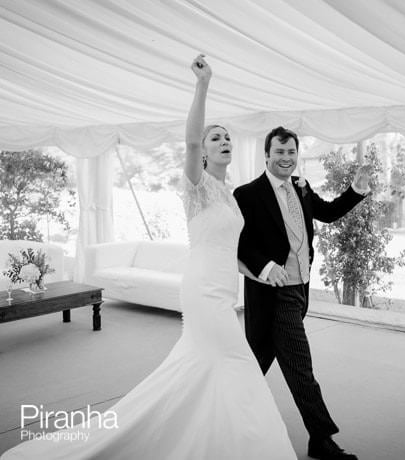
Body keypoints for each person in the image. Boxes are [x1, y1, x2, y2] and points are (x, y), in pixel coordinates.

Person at [1, 56, 296, 460]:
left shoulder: (231, 196)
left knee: (205, 367)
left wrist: (262, 275)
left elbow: (232, 252)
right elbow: (190, 140)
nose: (224, 141)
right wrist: (203, 85)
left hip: (224, 289)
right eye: (216, 138)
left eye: (227, 137)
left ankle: (208, 439)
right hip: (202, 293)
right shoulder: (197, 186)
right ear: (205, 154)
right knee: (235, 360)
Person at [234, 126, 370, 460]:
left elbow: (327, 212)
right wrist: (265, 267)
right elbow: (239, 242)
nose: (286, 158)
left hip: (300, 289)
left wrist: (356, 190)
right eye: (279, 152)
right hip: (273, 293)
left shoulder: (301, 187)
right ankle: (321, 439)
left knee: (254, 364)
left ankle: (221, 413)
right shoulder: (247, 194)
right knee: (301, 368)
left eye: (291, 152)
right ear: (267, 155)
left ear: (297, 155)